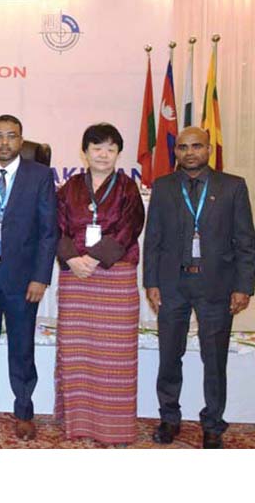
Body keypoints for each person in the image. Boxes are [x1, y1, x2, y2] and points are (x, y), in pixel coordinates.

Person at [144, 126, 255, 449]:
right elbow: (153, 240)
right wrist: (151, 282)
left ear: (209, 149)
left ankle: (213, 425)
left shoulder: (233, 187)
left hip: (217, 286)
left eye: (196, 146)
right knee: (169, 356)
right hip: (172, 284)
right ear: (175, 152)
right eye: (182, 147)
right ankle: (169, 417)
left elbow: (246, 242)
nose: (189, 152)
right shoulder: (163, 187)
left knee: (214, 358)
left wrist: (243, 287)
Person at [0, 114, 57, 440]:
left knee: (21, 346)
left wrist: (40, 277)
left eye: (11, 136)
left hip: (22, 278)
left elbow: (48, 232)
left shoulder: (40, 175)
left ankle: (24, 409)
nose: (4, 143)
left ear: (21, 140)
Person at [54, 123, 144, 444]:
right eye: (96, 148)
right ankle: (78, 422)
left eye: (110, 148)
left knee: (114, 355)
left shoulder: (128, 188)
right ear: (85, 151)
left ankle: (114, 426)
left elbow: (129, 227)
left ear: (118, 153)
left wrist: (93, 258)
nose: (103, 154)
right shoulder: (69, 188)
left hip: (114, 277)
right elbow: (58, 227)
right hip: (76, 279)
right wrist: (72, 260)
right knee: (78, 351)